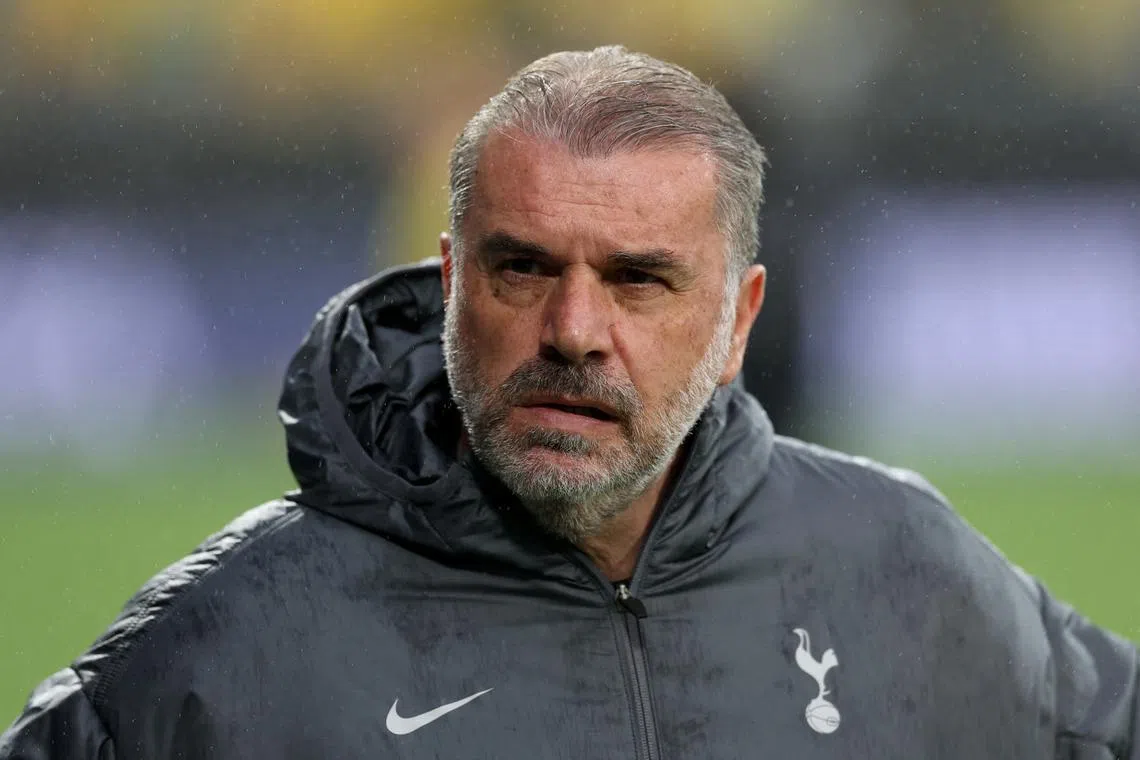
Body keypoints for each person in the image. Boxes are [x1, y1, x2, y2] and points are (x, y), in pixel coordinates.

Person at [2, 45, 1137, 760]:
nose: (575, 331)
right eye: (524, 268)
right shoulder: (228, 647)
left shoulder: (909, 572)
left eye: (639, 279)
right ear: (450, 286)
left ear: (740, 320)